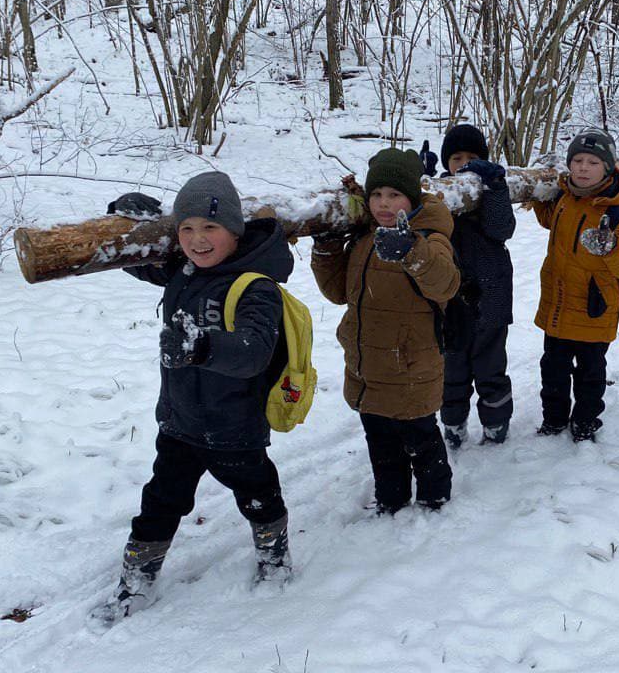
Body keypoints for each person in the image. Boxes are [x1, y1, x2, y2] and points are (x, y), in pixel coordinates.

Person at [91, 172, 294, 626]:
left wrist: (202, 347)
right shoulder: (182, 270)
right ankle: (137, 581)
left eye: (210, 228)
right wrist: (128, 218)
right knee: (160, 502)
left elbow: (255, 351)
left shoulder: (255, 286)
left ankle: (274, 553)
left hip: (235, 424)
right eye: (186, 229)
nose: (197, 240)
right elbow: (137, 260)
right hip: (181, 422)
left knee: (258, 494)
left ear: (235, 231)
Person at [310, 148, 460, 514]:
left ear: (412, 198)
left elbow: (445, 284)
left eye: (395, 195)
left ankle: (434, 496)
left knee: (421, 438)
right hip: (368, 364)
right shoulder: (365, 237)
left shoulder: (430, 236)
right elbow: (337, 293)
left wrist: (412, 252)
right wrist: (328, 249)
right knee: (379, 440)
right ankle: (391, 498)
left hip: (411, 364)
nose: (384, 203)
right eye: (377, 194)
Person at [528, 129, 619, 443]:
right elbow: (553, 222)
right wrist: (538, 199)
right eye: (577, 160)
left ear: (608, 167)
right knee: (552, 370)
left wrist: (610, 248)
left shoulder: (616, 215)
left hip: (593, 310)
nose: (582, 167)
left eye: (593, 162)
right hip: (559, 305)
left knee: (590, 374)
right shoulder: (565, 199)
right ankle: (553, 420)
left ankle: (585, 422)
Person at [428, 124, 516, 448]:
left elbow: (501, 229)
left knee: (491, 366)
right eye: (457, 157)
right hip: (451, 300)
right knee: (452, 368)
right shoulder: (438, 192)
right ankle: (452, 423)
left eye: (472, 157)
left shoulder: (492, 185)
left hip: (491, 296)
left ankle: (496, 422)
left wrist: (494, 187)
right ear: (446, 161)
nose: (464, 163)